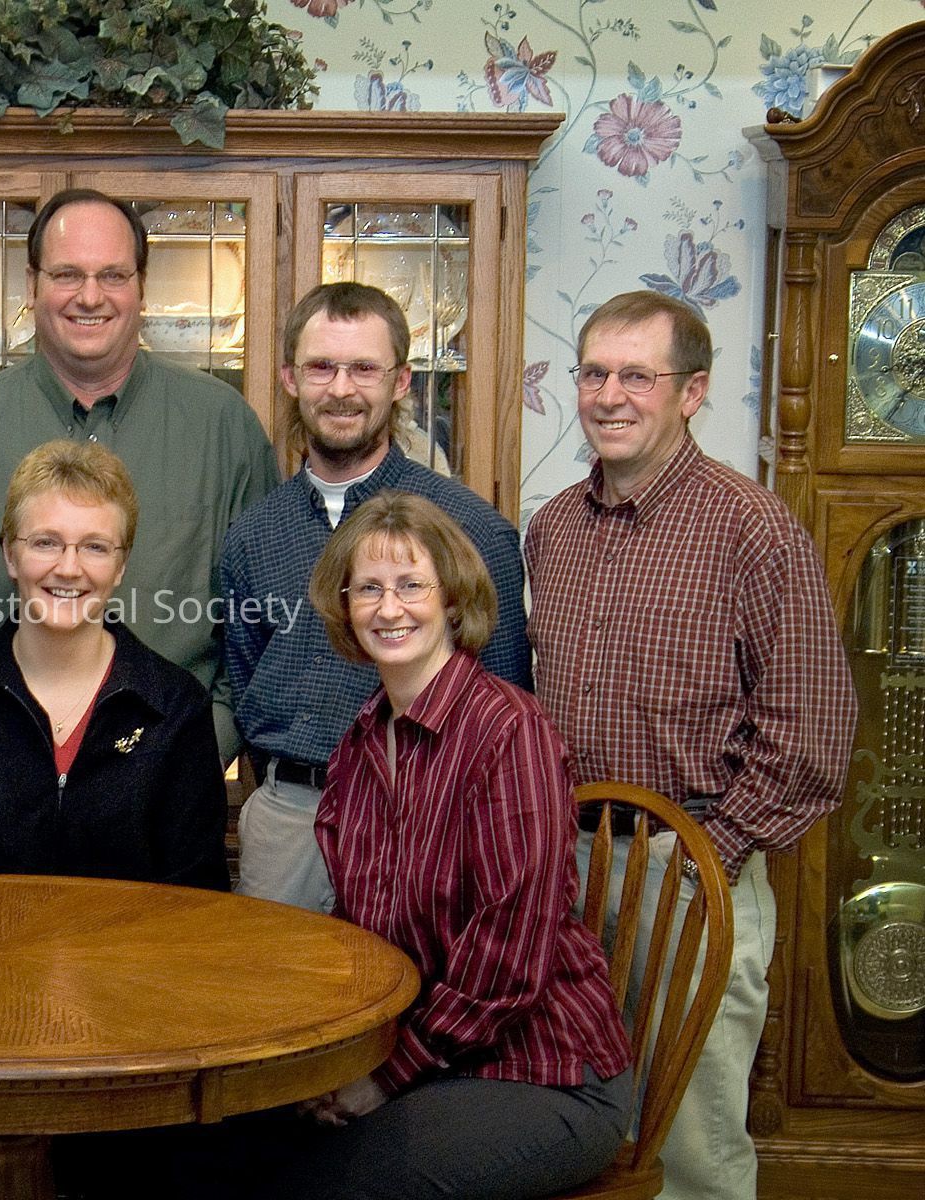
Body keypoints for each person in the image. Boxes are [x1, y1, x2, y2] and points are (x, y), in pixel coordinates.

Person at [524, 290, 856, 1200]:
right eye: (594, 373)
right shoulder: (554, 528)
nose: (610, 396)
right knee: (585, 1130)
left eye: (638, 376)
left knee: (692, 1144)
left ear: (692, 391)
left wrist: (710, 853)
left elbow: (813, 729)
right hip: (573, 867)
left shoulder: (753, 529)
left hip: (692, 865)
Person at [235, 490, 629, 1200]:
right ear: (345, 607)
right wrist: (325, 1063)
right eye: (369, 589)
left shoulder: (509, 731)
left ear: (451, 599)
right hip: (433, 1063)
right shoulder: (361, 742)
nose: (389, 608)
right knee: (225, 1146)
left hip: (543, 1073)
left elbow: (507, 958)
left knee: (325, 1184)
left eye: (411, 585)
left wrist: (382, 1078)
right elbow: (359, 936)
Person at [0, 188, 279, 758]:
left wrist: (189, 762)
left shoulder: (225, 429)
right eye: (67, 274)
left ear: (142, 286)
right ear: (32, 284)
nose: (90, 297)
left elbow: (257, 632)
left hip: (170, 778)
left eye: (113, 275)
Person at [221, 282, 529, 915]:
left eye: (364, 368)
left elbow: (507, 701)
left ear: (400, 382)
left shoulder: (468, 528)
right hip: (291, 820)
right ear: (289, 378)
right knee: (276, 979)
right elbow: (246, 679)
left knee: (409, 981)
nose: (341, 389)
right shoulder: (254, 534)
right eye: (321, 367)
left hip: (426, 819)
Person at [0, 440, 229, 888]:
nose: (69, 568)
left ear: (122, 564)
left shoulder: (176, 708)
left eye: (95, 547)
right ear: (10, 554)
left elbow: (198, 899)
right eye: (46, 543)